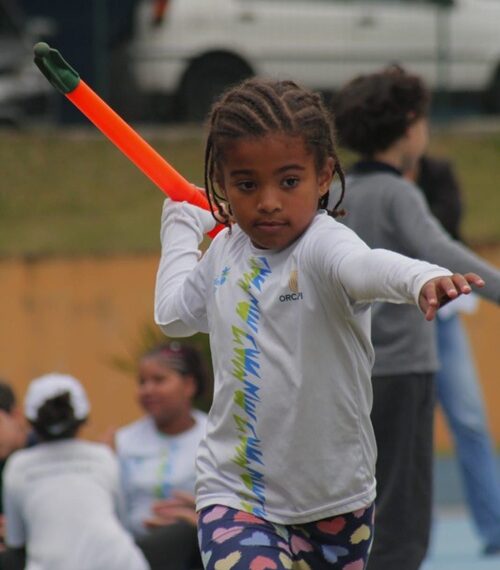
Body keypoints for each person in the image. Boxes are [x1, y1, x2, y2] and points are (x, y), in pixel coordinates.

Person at [153, 77, 481, 570]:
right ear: (221, 183)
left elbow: (367, 266)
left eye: (289, 182)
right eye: (247, 185)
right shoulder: (225, 251)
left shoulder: (323, 246)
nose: (268, 202)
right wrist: (181, 226)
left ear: (324, 175)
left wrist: (421, 279)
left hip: (337, 502)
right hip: (235, 493)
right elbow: (175, 316)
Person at [330, 66, 500, 570]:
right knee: (404, 514)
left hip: (352, 371)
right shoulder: (398, 193)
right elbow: (441, 251)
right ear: (408, 125)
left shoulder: (337, 194)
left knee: (362, 501)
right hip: (404, 369)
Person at [414, 155, 500, 556]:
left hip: (443, 320)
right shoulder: (373, 189)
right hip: (397, 329)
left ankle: (494, 526)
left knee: (469, 421)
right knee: (407, 433)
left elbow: (440, 238)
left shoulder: (436, 173)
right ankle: (413, 535)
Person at [2, 373, 150, 570]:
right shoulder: (103, 457)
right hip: (119, 563)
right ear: (84, 420)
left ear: (29, 421)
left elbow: (16, 542)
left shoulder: (18, 466)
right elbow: (121, 521)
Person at [115, 342, 208, 570]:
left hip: (199, 552)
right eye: (142, 382)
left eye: (159, 380)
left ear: (189, 385)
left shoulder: (214, 438)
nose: (147, 390)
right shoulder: (123, 441)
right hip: (135, 553)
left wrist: (198, 520)